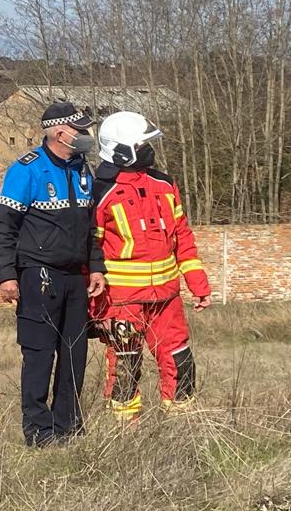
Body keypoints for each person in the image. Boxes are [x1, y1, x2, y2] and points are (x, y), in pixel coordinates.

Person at [0, 100, 106, 446]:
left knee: (75, 353)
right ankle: (39, 432)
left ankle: (68, 425)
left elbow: (91, 227)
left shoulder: (84, 169)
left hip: (75, 277)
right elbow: (3, 226)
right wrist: (6, 275)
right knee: (40, 353)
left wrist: (96, 268)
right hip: (38, 275)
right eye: (80, 130)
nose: (86, 136)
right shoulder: (27, 169)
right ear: (59, 132)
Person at [88, 111, 213, 419]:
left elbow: (182, 235)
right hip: (121, 300)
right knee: (125, 363)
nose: (149, 149)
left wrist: (199, 284)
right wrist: (95, 310)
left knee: (179, 358)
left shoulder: (165, 184)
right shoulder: (100, 192)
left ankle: (181, 422)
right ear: (120, 149)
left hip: (167, 297)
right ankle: (125, 430)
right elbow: (88, 251)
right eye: (142, 144)